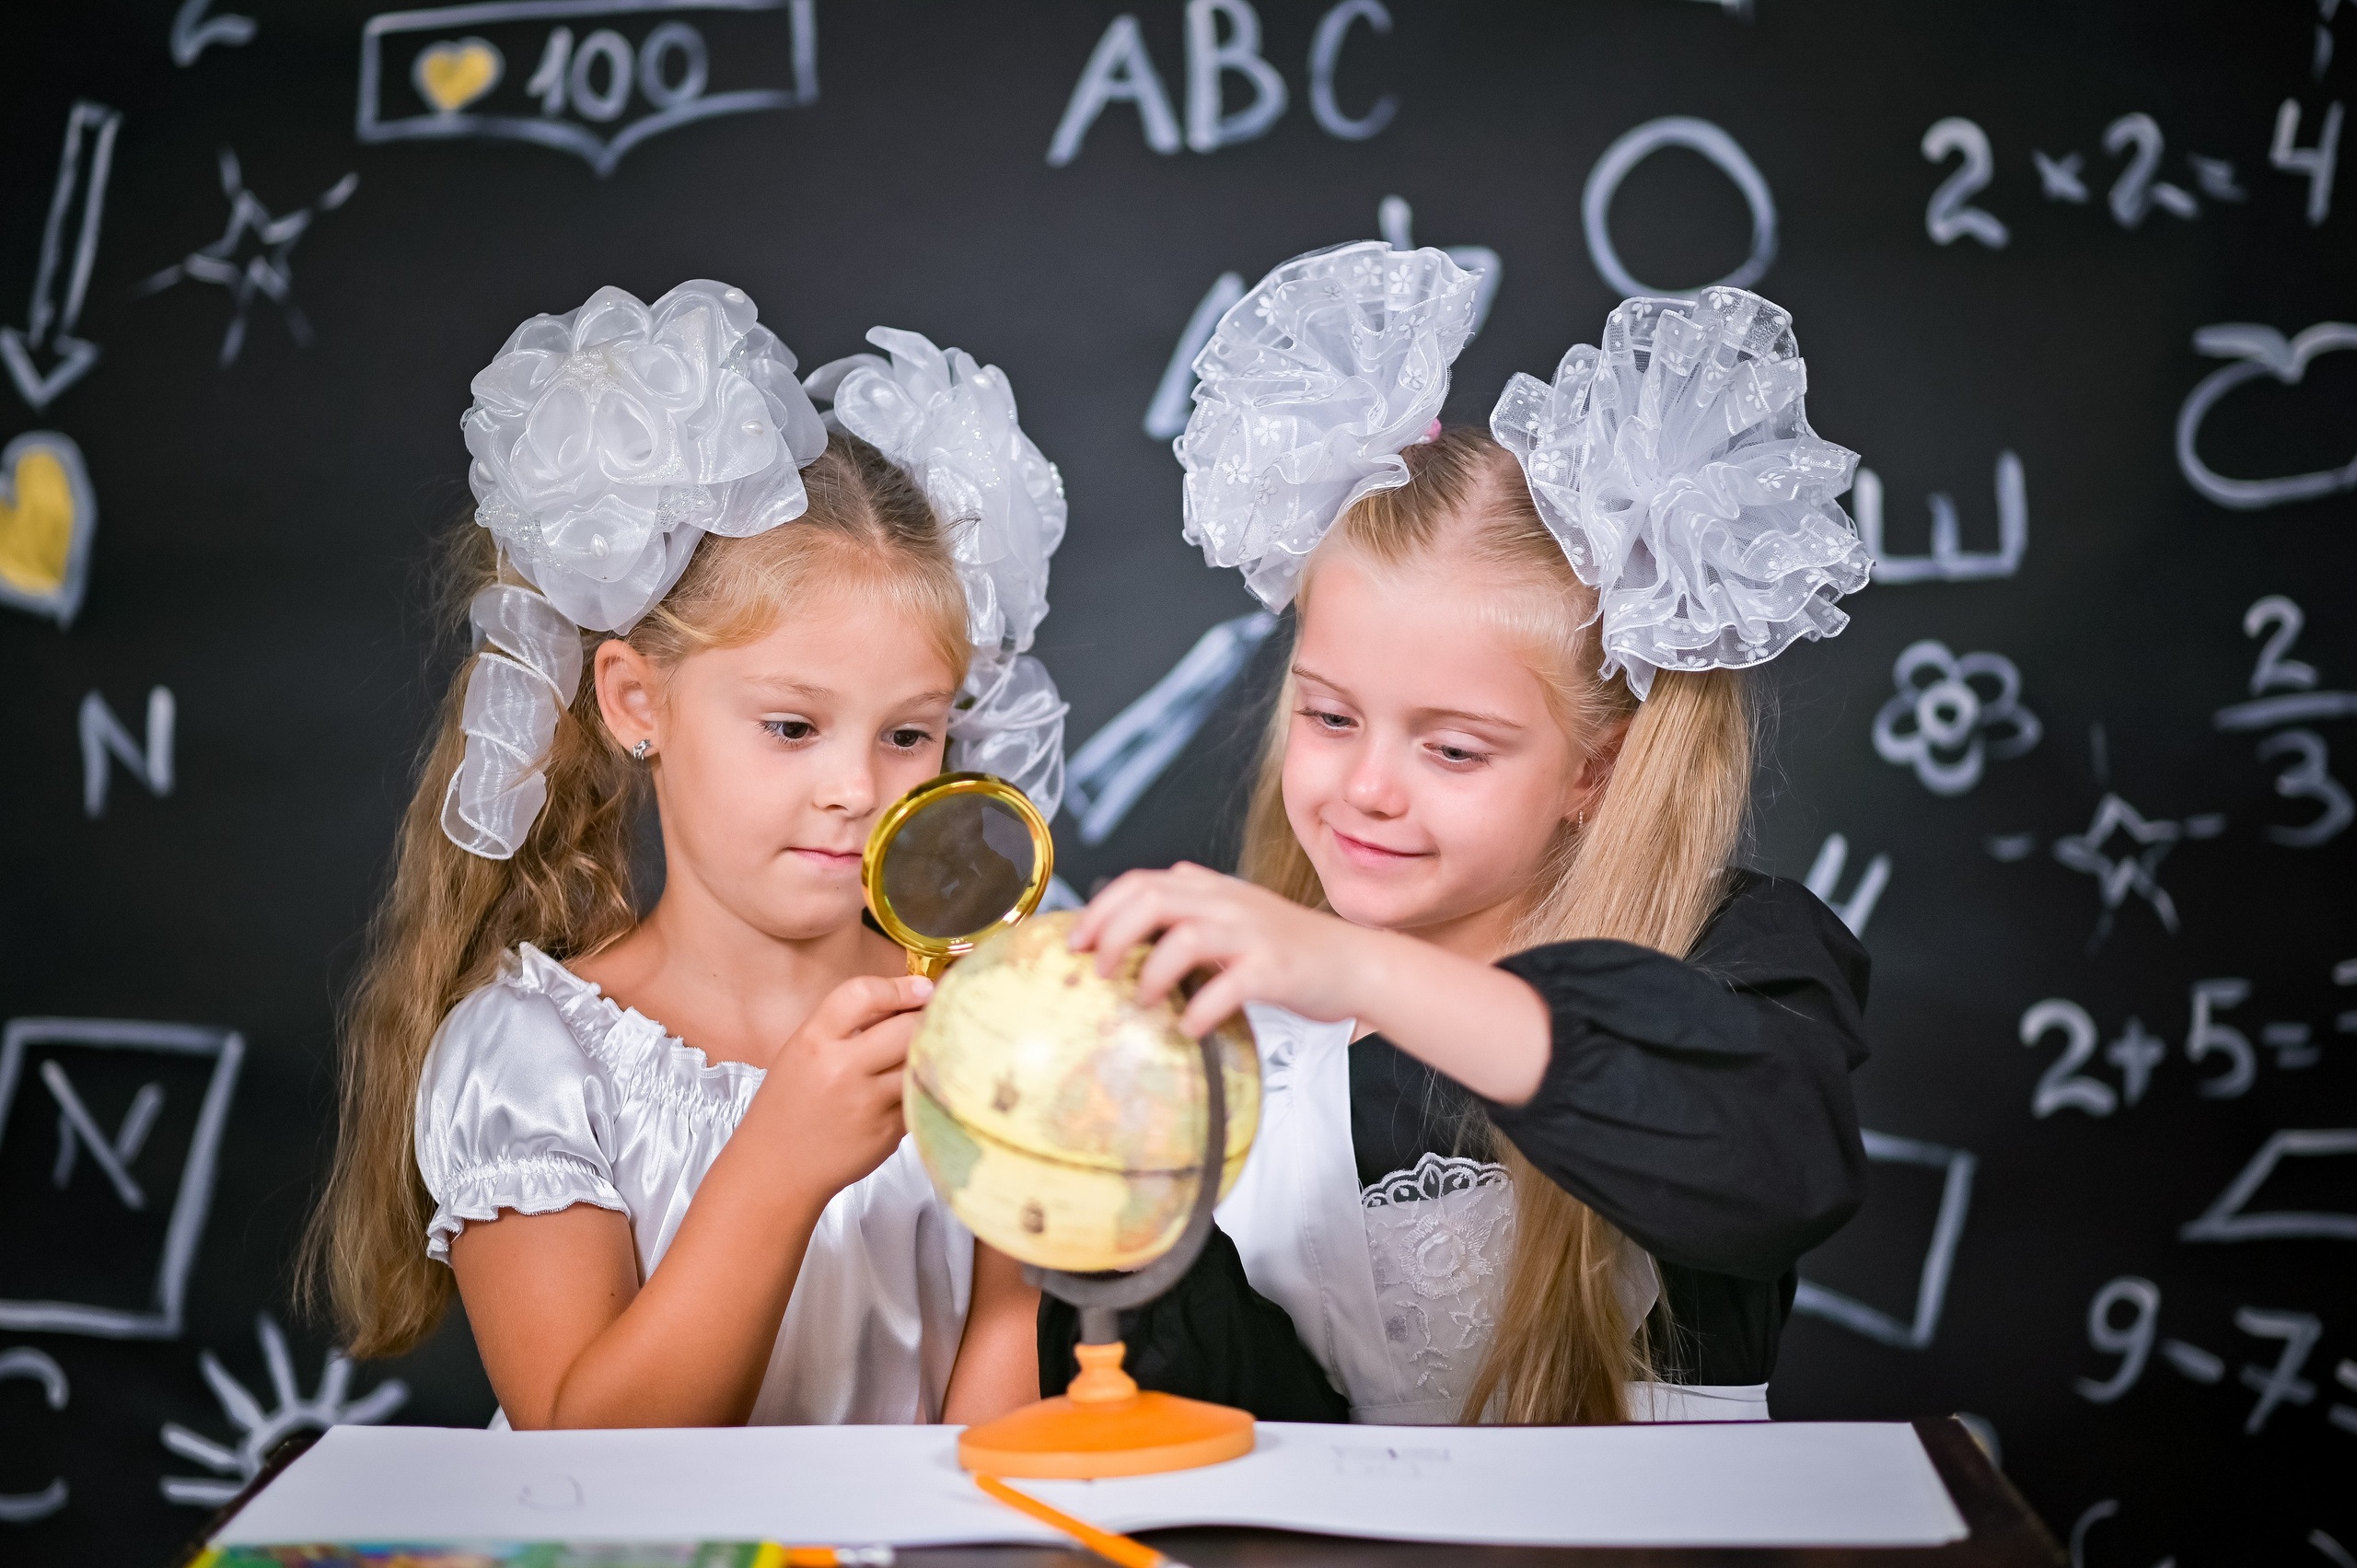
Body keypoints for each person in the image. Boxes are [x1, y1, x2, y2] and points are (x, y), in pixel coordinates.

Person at [1050, 242, 1875, 1425]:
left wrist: (1355, 966)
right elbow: (1222, 1418)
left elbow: (1777, 1168)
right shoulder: (1252, 1045)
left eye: (1452, 749)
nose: (1367, 787)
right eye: (1330, 717)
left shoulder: (1731, 958)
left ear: (1595, 767)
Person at [306, 284, 1070, 1429]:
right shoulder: (533, 1055)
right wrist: (781, 1162)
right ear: (634, 700)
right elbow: (590, 1458)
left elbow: (993, 1441)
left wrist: (1030, 1220)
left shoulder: (978, 1019)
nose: (855, 787)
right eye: (792, 726)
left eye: (907, 733)